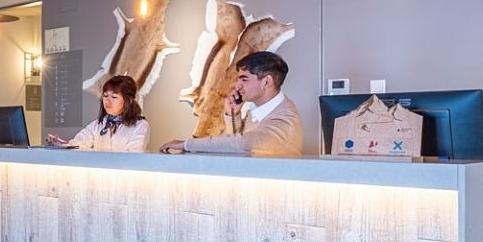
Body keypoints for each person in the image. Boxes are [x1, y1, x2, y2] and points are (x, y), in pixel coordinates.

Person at [159, 51, 303, 157]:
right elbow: (235, 149)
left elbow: (242, 145)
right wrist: (232, 115)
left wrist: (186, 144)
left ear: (266, 82)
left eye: (244, 79)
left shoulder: (284, 119)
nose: (237, 85)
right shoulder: (258, 111)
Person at [47, 75, 150, 152]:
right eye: (105, 96)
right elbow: (80, 143)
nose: (107, 101)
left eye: (114, 97)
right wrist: (62, 144)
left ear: (128, 100)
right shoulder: (98, 124)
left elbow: (134, 155)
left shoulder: (140, 125)